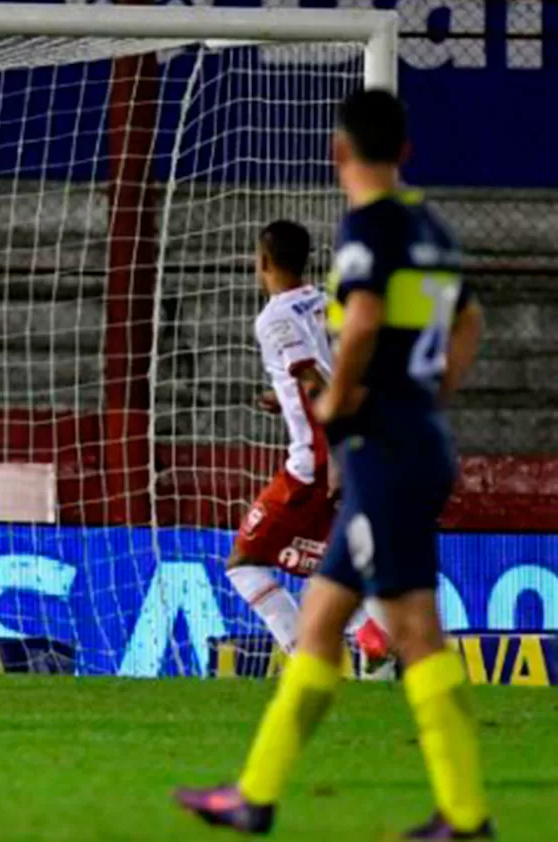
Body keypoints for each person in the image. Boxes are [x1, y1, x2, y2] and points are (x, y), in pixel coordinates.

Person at [174, 90, 491, 839]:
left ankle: (467, 812)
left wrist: (341, 404)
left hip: (378, 449)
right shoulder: (431, 229)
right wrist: (427, 396)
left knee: (413, 630)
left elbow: (366, 324)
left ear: (338, 152)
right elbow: (469, 321)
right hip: (411, 440)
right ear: (407, 151)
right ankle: (255, 795)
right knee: (322, 622)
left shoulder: (369, 229)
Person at [228, 220, 389, 663]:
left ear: (262, 262)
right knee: (318, 556)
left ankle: (309, 656)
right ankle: (370, 630)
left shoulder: (274, 318)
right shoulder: (325, 302)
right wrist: (283, 399)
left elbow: (312, 378)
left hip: (315, 461)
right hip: (350, 447)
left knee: (244, 560)